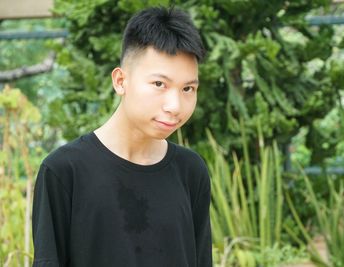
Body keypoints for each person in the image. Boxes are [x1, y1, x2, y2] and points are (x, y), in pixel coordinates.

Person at [32, 6, 212, 267]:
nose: (175, 105)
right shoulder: (63, 171)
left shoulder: (190, 171)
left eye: (187, 88)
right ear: (120, 81)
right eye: (159, 84)